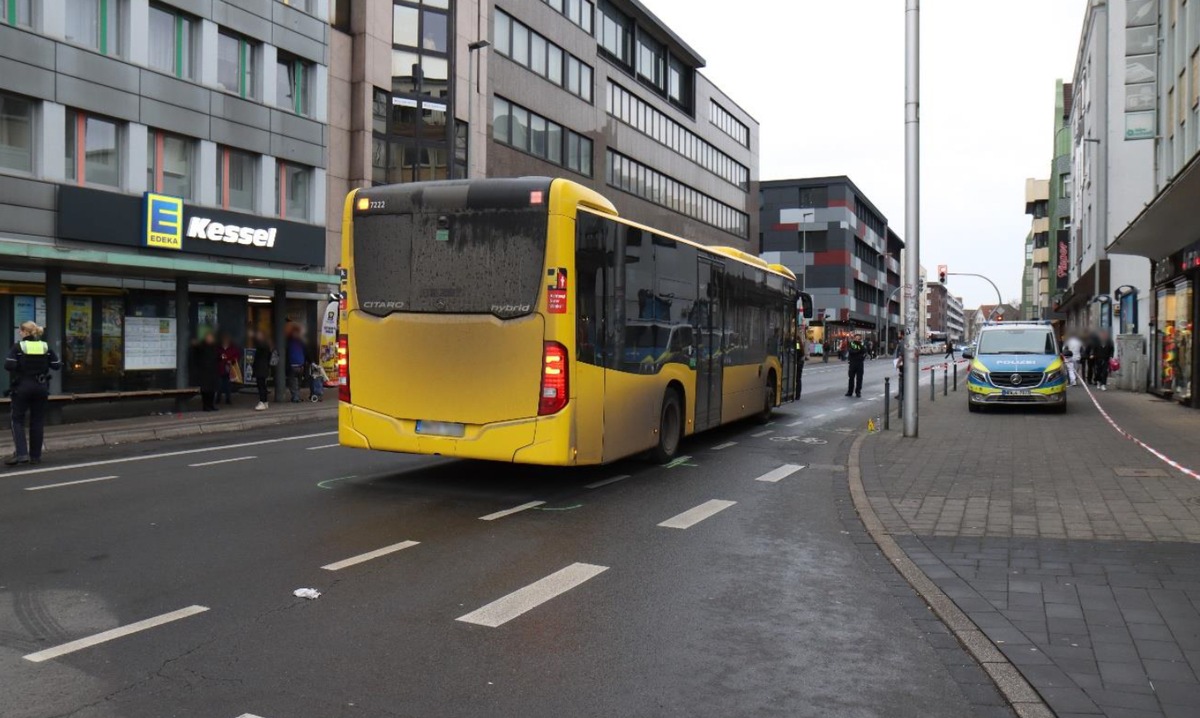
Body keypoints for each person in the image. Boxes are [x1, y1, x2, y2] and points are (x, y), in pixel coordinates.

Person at [4, 322, 63, 466]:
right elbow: (56, 365)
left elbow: (9, 365)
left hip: (23, 386)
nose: (19, 333)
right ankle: (35, 456)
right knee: (37, 421)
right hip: (41, 386)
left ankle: (21, 453)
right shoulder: (45, 346)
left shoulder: (19, 347)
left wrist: (22, 367)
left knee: (17, 420)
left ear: (25, 332)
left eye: (20, 330)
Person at [194, 332, 220, 411]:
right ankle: (206, 406)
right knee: (205, 390)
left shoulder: (214, 347)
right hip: (204, 372)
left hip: (213, 371)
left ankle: (211, 405)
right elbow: (197, 357)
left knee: (212, 390)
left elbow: (217, 357)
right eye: (209, 337)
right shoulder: (201, 347)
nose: (210, 339)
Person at [251, 330, 273, 411]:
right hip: (263, 368)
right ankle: (265, 401)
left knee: (261, 386)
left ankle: (262, 401)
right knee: (263, 385)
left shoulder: (262, 346)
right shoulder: (266, 346)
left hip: (260, 368)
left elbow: (258, 358)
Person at [217, 333, 241, 406]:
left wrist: (232, 360)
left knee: (228, 385)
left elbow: (237, 356)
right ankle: (218, 398)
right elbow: (216, 357)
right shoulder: (219, 348)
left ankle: (228, 398)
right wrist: (221, 358)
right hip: (220, 368)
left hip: (229, 368)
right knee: (219, 384)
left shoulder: (232, 348)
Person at [286, 326, 307, 403]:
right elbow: (305, 352)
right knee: (298, 382)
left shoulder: (289, 342)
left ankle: (295, 397)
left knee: (293, 381)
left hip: (293, 364)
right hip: (300, 364)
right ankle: (296, 396)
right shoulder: (301, 342)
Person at [845, 332, 867, 398]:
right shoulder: (851, 344)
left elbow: (865, 352)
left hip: (860, 363)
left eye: (859, 339)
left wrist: (860, 355)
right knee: (851, 378)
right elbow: (851, 351)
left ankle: (858, 392)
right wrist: (858, 351)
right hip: (852, 363)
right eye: (856, 338)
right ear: (854, 338)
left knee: (859, 378)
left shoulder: (862, 345)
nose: (857, 340)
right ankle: (850, 392)